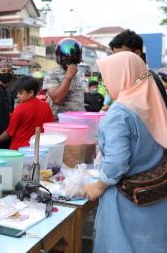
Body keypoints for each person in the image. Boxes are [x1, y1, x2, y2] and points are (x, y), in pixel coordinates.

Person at [83, 52, 167, 253]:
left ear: (121, 76)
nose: (106, 81)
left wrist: (99, 185)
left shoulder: (120, 113)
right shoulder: (154, 104)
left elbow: (117, 162)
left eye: (108, 76)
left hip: (126, 201)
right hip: (156, 195)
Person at [0, 76, 53, 150]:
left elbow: (10, 132)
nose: (17, 96)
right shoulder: (46, 106)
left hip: (19, 149)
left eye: (20, 93)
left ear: (31, 93)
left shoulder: (20, 108)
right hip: (39, 149)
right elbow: (49, 127)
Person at [109, 29, 167, 107]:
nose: (117, 60)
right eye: (114, 56)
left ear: (137, 53)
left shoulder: (146, 77)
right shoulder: (137, 77)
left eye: (122, 55)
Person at [43, 38, 85, 120]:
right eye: (65, 57)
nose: (69, 60)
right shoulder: (52, 74)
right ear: (60, 57)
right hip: (59, 122)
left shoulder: (79, 73)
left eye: (74, 58)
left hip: (78, 121)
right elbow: (56, 98)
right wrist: (68, 77)